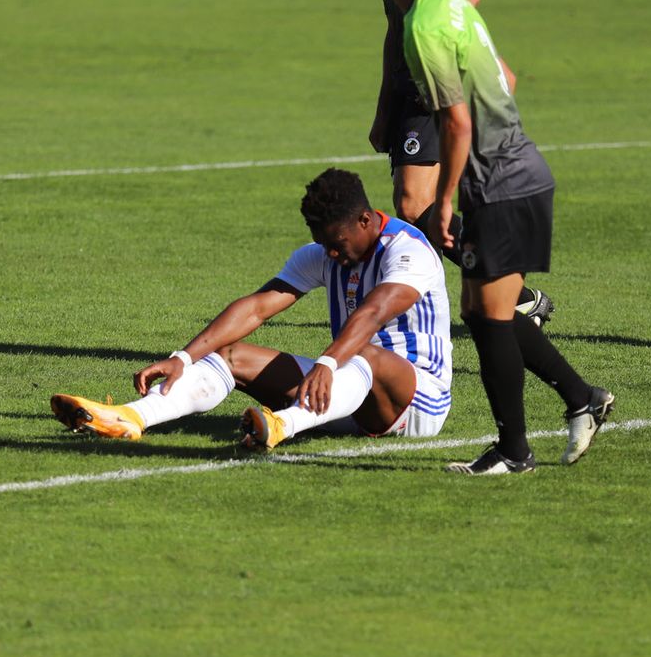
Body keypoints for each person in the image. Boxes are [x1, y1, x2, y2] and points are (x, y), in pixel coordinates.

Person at [358, 0, 613, 475]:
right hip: (517, 171)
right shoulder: (452, 3)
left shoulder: (422, 25)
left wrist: (447, 198)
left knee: (490, 317)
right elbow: (507, 77)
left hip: (500, 183)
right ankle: (578, 402)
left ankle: (519, 447)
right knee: (481, 311)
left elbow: (456, 123)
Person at [51, 168, 452, 454]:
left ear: (365, 220)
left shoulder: (408, 250)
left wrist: (328, 362)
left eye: (337, 243)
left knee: (365, 353)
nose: (331, 253)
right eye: (323, 244)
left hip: (417, 402)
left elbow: (374, 312)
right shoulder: (324, 254)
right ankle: (130, 417)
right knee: (229, 355)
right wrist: (183, 358)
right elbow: (256, 308)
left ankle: (282, 425)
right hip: (344, 392)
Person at [331, 0, 554, 328]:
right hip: (410, 80)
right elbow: (395, 26)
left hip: (434, 76)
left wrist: (449, 56)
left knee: (414, 205)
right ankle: (510, 294)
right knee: (415, 206)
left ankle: (509, 292)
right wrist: (384, 107)